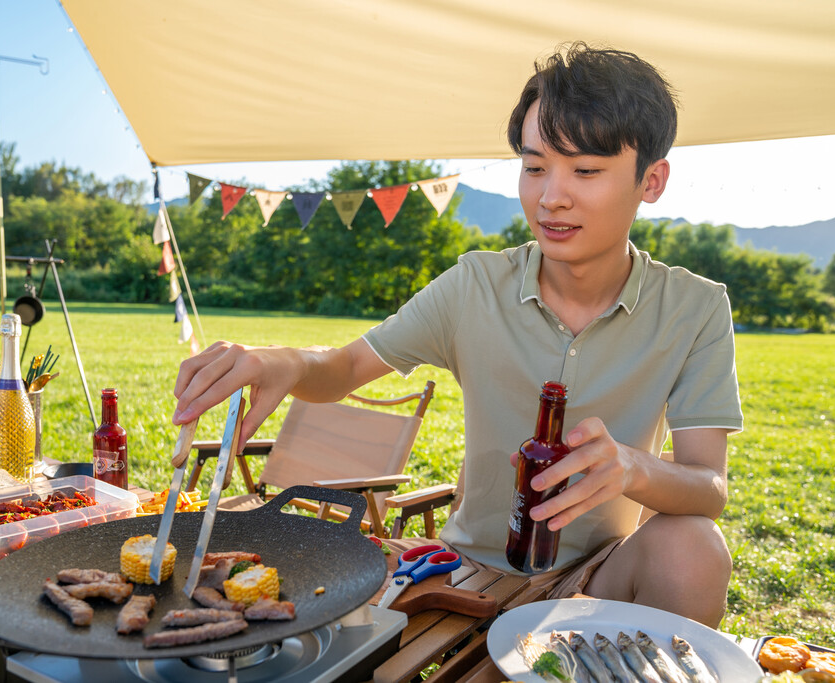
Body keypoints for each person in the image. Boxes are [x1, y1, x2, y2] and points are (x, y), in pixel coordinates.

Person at [172, 42, 742, 628]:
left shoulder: (694, 307)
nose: (551, 197)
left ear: (652, 180)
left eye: (587, 170)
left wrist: (632, 468)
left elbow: (708, 486)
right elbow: (342, 370)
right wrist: (285, 363)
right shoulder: (475, 284)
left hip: (600, 573)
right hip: (468, 569)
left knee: (694, 548)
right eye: (535, 165)